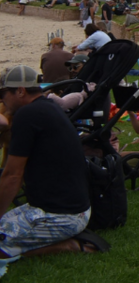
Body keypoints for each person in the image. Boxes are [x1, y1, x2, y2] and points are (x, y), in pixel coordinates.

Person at [0, 65, 94, 267]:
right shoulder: (48, 106)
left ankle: (69, 246)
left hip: (61, 216)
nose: (1, 99)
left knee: (1, 248)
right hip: (65, 207)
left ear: (20, 91)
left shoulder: (27, 116)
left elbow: (12, 176)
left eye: (3, 93)